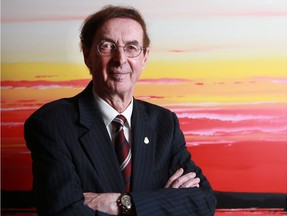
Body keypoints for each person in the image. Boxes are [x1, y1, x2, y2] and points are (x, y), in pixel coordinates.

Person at [24, 5, 217, 216]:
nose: (120, 59)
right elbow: (64, 212)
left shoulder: (164, 123)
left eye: (132, 48)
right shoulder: (52, 123)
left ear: (145, 58)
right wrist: (164, 201)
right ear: (87, 55)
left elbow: (204, 201)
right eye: (107, 46)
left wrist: (123, 203)